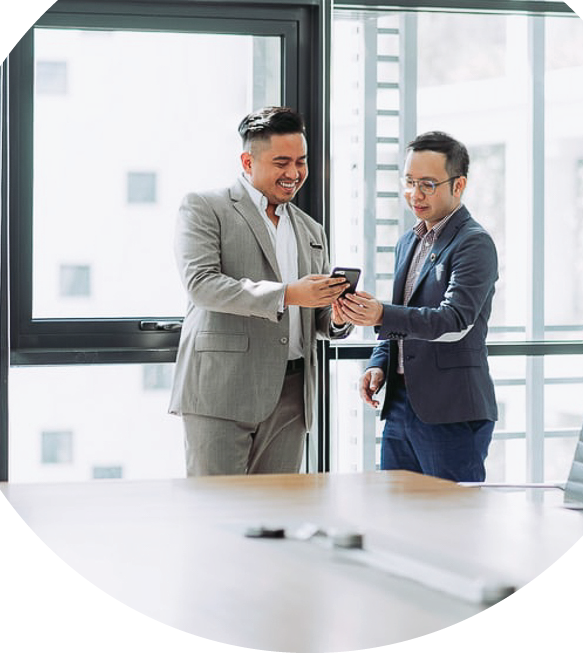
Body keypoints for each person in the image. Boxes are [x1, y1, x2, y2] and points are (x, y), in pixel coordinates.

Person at [168, 106, 351, 476]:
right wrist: (287, 294)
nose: (294, 173)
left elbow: (313, 316)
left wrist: (337, 317)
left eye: (301, 161)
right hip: (222, 389)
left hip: (293, 394)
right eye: (281, 162)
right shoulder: (205, 208)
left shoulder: (312, 230)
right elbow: (202, 285)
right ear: (247, 161)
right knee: (217, 513)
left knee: (277, 517)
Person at [336, 131, 498, 482]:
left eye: (427, 184)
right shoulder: (408, 241)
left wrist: (380, 314)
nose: (415, 194)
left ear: (459, 186)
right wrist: (379, 363)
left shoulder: (474, 243)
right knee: (398, 518)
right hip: (399, 406)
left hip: (450, 411)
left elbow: (454, 320)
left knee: (452, 525)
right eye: (409, 182)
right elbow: (403, 317)